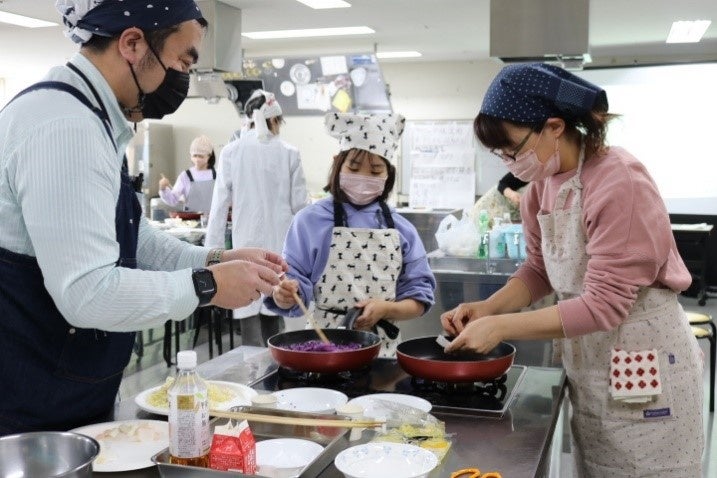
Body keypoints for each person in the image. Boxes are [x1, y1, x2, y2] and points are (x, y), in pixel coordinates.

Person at [0, 0, 286, 436]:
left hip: (66, 388)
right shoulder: (66, 127)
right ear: (132, 43)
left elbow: (135, 238)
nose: (183, 78)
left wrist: (214, 259)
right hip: (29, 407)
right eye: (182, 61)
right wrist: (208, 286)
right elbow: (88, 293)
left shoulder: (94, 118)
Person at [441, 63, 703, 476]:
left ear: (554, 127)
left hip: (644, 359)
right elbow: (539, 271)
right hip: (592, 364)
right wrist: (488, 308)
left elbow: (604, 305)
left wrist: (501, 327)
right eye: (499, 154)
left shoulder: (618, 180)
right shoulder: (538, 191)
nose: (509, 162)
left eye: (512, 149)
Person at [266, 112, 436, 357]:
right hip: (323, 346)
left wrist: (386, 309)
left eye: (375, 172)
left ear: (388, 174)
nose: (364, 178)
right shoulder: (309, 221)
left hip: (382, 352)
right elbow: (293, 282)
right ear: (338, 163)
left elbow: (419, 299)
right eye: (354, 168)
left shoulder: (402, 230)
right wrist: (285, 294)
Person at [206, 89, 310, 345]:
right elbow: (300, 206)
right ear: (274, 119)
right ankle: (279, 364)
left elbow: (219, 207)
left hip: (246, 246)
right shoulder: (289, 152)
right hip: (280, 248)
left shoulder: (232, 151)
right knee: (276, 311)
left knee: (248, 311)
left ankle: (252, 366)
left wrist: (211, 254)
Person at [158, 134, 217, 214]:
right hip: (191, 219)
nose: (197, 159)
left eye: (201, 156)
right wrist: (163, 188)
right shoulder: (185, 176)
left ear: (209, 156)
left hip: (213, 217)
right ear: (190, 155)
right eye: (195, 156)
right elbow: (173, 200)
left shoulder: (217, 175)